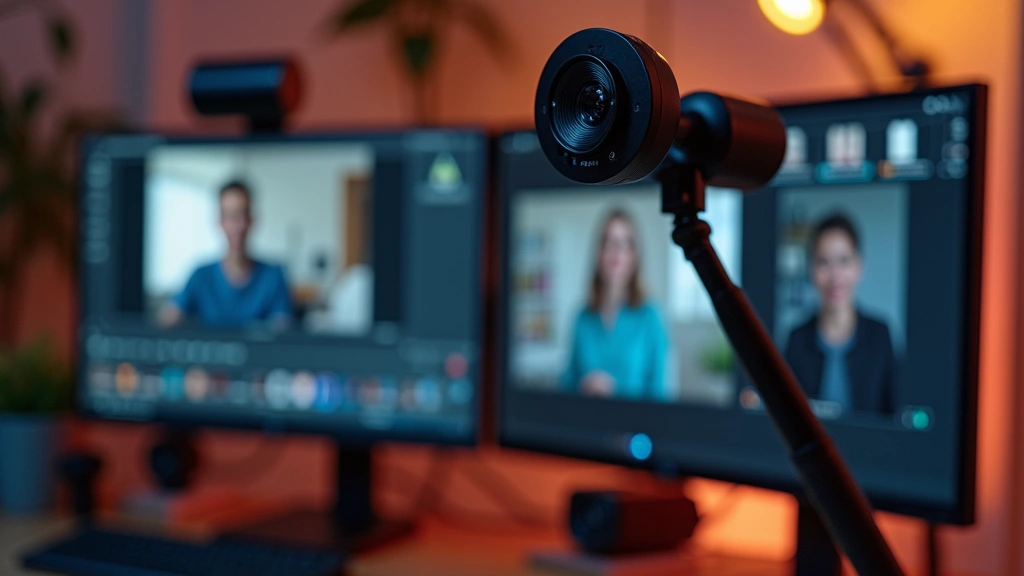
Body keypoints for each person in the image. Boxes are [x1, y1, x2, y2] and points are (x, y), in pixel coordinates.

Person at [784, 213, 896, 416]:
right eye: (823, 262)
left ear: (858, 267)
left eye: (843, 261)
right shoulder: (797, 338)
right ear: (811, 270)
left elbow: (893, 414)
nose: (835, 276)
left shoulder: (881, 335)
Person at [561, 209, 669, 401]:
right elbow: (566, 384)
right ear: (599, 252)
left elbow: (660, 394)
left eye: (625, 243)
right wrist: (584, 385)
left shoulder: (650, 317)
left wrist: (615, 391)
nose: (617, 252)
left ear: (635, 255)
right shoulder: (582, 317)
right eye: (610, 242)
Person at [159, 180, 293, 329]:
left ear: (252, 220)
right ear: (220, 221)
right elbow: (168, 319)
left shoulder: (273, 276)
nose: (239, 226)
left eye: (244, 215)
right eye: (232, 216)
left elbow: (282, 331)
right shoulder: (201, 276)